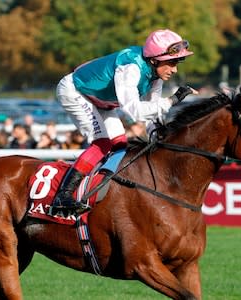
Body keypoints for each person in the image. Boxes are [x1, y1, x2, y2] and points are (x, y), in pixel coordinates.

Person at [52, 29, 197, 214]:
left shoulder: (155, 75)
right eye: (172, 62)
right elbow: (134, 110)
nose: (175, 69)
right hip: (74, 91)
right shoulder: (131, 67)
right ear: (155, 59)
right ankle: (62, 196)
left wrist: (160, 133)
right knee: (102, 143)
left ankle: (100, 189)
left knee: (120, 144)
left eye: (177, 62)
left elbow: (151, 112)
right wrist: (173, 100)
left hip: (100, 101)